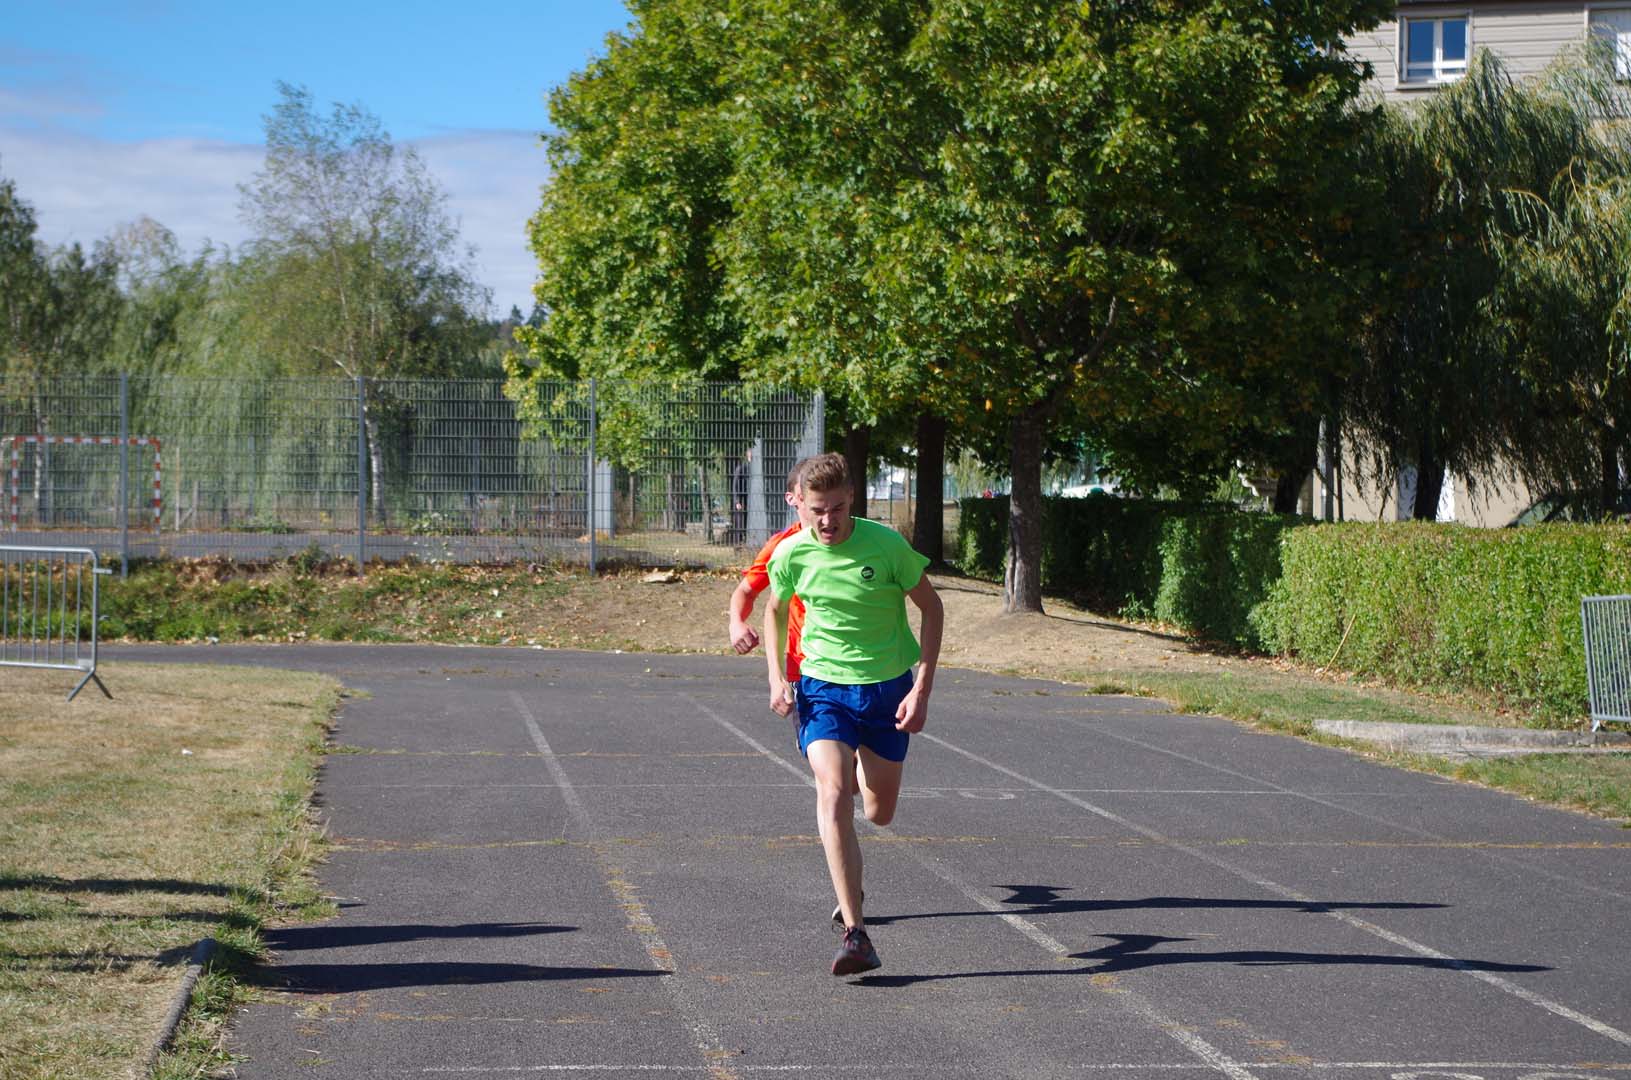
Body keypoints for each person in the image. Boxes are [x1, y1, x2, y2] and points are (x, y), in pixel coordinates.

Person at [763, 452, 943, 976]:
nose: (827, 521)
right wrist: (777, 677)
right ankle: (856, 933)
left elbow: (932, 609)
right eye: (817, 510)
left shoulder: (885, 546)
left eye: (837, 509)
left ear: (851, 502)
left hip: (887, 690)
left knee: (878, 812)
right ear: (801, 504)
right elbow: (775, 609)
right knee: (832, 789)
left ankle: (853, 872)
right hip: (822, 689)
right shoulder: (791, 553)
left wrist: (923, 690)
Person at [727, 462, 805, 673]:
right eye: (805, 496)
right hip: (806, 669)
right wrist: (736, 623)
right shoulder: (782, 546)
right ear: (792, 499)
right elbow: (746, 590)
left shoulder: (866, 542)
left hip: (866, 670)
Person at [729, 445, 753, 546]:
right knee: (740, 523)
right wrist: (737, 501)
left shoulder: (755, 468)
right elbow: (735, 486)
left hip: (751, 499)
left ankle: (746, 543)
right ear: (748, 454)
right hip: (742, 499)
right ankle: (738, 545)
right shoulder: (741, 468)